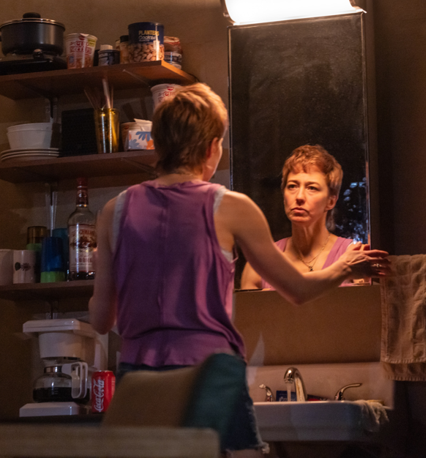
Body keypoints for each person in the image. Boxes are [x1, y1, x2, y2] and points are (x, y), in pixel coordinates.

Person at [89, 83, 390, 457]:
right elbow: (298, 290)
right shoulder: (231, 207)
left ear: (158, 143)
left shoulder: (114, 211)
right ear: (212, 147)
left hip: (138, 373)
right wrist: (345, 268)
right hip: (210, 371)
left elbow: (100, 320)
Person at [240, 144, 356, 290]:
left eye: (312, 188)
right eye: (292, 186)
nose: (299, 196)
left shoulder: (352, 258)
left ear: (330, 201)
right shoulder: (259, 265)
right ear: (284, 196)